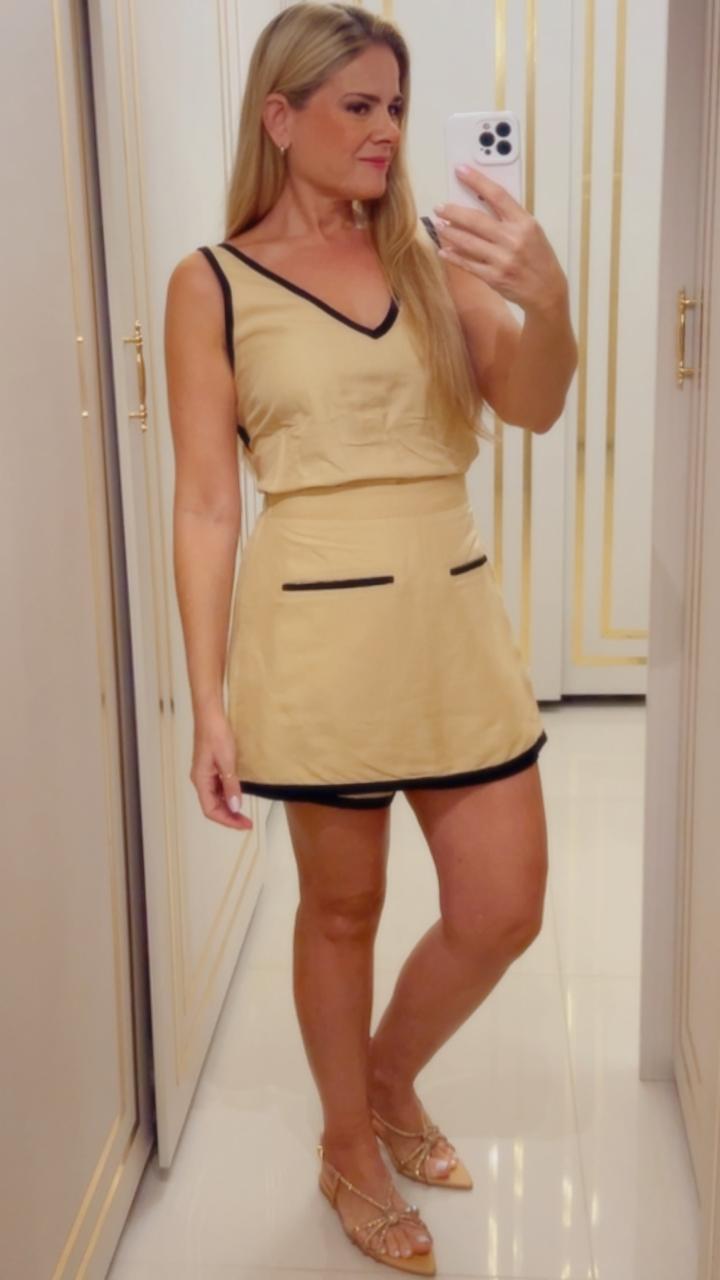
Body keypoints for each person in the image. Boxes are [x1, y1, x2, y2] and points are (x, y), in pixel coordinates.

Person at [164, 3, 578, 1274]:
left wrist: (548, 298)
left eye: (396, 105)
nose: (387, 129)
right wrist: (209, 701)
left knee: (503, 907)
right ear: (281, 117)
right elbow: (207, 502)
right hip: (312, 635)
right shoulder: (211, 283)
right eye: (359, 106)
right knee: (341, 908)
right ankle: (349, 1142)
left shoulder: (437, 258)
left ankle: (388, 1075)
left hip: (450, 619)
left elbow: (534, 403)